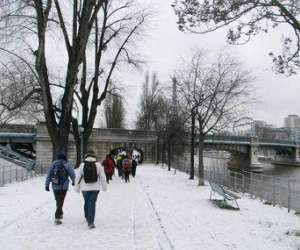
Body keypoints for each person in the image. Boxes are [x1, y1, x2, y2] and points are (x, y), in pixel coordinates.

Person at [75, 150, 107, 229]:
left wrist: (77, 188)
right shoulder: (98, 165)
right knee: (92, 203)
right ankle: (91, 222)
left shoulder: (82, 165)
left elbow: (78, 178)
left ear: (86, 157)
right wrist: (104, 187)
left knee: (86, 202)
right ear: (94, 156)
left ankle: (87, 216)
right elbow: (103, 177)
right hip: (95, 188)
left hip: (84, 188)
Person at [45, 152, 75, 225]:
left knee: (58, 200)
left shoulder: (53, 164)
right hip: (64, 186)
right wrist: (74, 182)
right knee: (61, 200)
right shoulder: (67, 164)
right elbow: (72, 174)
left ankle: (60, 212)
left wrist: (47, 185)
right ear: (65, 158)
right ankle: (57, 217)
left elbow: (49, 175)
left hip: (55, 185)